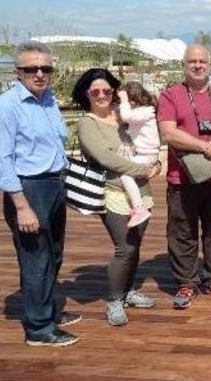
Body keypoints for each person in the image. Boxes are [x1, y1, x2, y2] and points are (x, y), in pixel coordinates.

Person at [0, 41, 80, 347]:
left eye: (45, 68)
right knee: (35, 259)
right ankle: (39, 328)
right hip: (28, 189)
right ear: (18, 72)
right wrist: (21, 206)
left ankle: (48, 310)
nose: (39, 73)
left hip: (54, 184)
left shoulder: (48, 100)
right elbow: (1, 162)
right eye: (31, 68)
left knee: (53, 255)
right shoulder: (5, 107)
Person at [73, 69, 161, 326]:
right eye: (95, 91)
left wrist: (155, 164)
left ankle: (128, 291)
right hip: (112, 190)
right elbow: (106, 158)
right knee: (124, 248)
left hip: (141, 188)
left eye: (106, 90)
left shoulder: (123, 115)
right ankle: (114, 300)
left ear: (114, 91)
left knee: (135, 245)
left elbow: (147, 141)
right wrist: (143, 170)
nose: (101, 95)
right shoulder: (87, 123)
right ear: (86, 94)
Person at [157, 44, 211, 309]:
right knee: (183, 231)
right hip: (182, 178)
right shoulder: (171, 96)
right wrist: (207, 146)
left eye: (202, 61)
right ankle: (186, 281)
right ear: (184, 64)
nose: (197, 65)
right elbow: (168, 133)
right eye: (192, 61)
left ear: (210, 64)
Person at [117, 81, 161, 228]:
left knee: (125, 175)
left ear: (133, 100)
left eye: (127, 100)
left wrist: (123, 99)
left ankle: (139, 208)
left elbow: (126, 117)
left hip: (147, 155)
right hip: (145, 154)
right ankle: (137, 207)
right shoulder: (143, 111)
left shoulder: (145, 111)